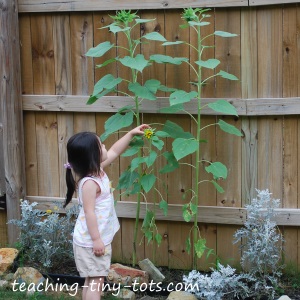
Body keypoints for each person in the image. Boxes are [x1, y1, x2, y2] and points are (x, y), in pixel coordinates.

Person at [64, 124, 149, 300]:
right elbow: (89, 212)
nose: (105, 147)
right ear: (92, 156)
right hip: (91, 242)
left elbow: (115, 151)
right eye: (101, 145)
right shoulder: (89, 183)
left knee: (92, 280)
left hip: (95, 239)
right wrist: (96, 240)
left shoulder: (98, 171)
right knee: (96, 282)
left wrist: (131, 134)